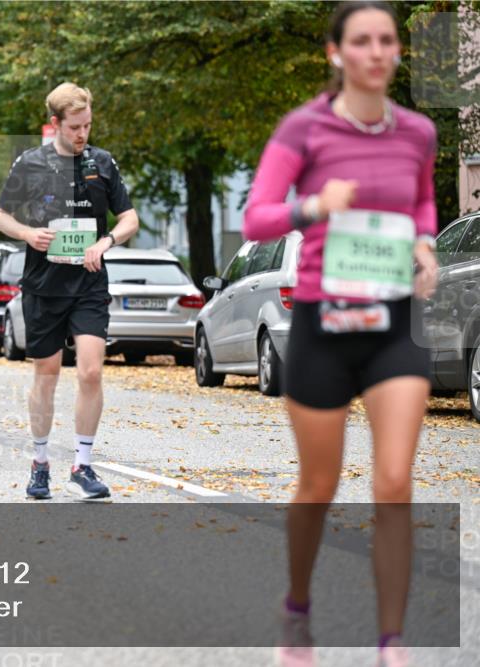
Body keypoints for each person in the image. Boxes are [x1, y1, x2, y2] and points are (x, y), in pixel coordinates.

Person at [242, 3, 439, 666]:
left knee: (393, 481)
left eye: (388, 40)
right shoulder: (305, 128)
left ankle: (391, 640)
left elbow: (421, 204)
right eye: (363, 41)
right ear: (336, 53)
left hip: (393, 323)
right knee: (317, 486)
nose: (377, 51)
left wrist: (426, 247)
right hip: (323, 323)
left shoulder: (417, 131)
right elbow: (256, 219)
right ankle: (296, 607)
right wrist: (313, 206)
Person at [0, 82, 139, 501]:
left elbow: (129, 218)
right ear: (55, 123)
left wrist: (106, 241)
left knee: (91, 371)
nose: (83, 134)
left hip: (89, 283)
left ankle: (83, 466)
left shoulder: (102, 163)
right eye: (75, 126)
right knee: (47, 374)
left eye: (88, 125)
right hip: (44, 286)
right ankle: (40, 463)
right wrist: (26, 233)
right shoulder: (30, 163)